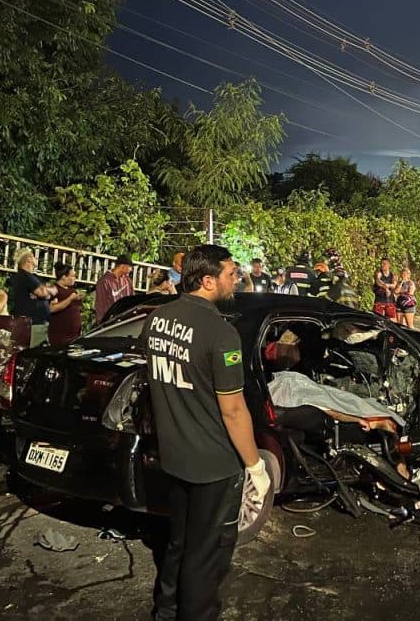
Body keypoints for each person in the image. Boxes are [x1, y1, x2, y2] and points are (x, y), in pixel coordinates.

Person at [143, 245, 271, 621]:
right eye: (232, 273)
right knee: (208, 553)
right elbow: (233, 410)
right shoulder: (221, 333)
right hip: (213, 464)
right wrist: (256, 467)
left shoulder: (157, 319)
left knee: (179, 543)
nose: (238, 278)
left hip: (175, 455)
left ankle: (166, 611)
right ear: (208, 279)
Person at [8, 250, 57, 347]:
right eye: (34, 256)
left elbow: (45, 292)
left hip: (36, 323)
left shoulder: (32, 276)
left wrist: (46, 291)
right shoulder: (25, 276)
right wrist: (48, 291)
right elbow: (43, 293)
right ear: (29, 259)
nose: (36, 259)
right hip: (33, 323)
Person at [48, 262, 83, 346]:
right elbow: (52, 309)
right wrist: (70, 299)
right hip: (60, 336)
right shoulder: (54, 289)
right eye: (72, 276)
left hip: (75, 336)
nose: (74, 278)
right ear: (64, 277)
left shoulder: (72, 290)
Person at [94, 255, 134, 324]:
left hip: (124, 322)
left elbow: (133, 300)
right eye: (130, 267)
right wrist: (100, 323)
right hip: (109, 323)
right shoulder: (105, 281)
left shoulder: (127, 281)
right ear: (122, 266)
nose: (131, 269)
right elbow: (100, 304)